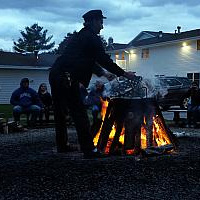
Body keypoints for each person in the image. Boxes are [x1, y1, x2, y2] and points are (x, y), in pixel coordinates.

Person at [48, 10, 136, 158]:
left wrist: (104, 73)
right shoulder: (91, 38)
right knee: (79, 112)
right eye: (101, 22)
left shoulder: (81, 36)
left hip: (56, 74)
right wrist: (125, 74)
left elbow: (88, 60)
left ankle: (62, 145)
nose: (102, 27)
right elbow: (103, 58)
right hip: (66, 77)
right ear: (94, 21)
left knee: (60, 113)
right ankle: (89, 150)